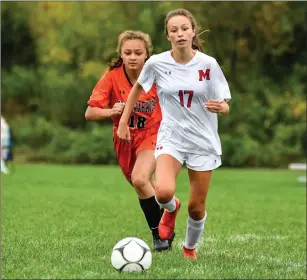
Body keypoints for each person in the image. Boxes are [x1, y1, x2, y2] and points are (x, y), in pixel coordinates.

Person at [117, 9, 231, 260]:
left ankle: (189, 247)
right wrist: (124, 121)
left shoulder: (208, 64)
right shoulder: (157, 62)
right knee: (164, 192)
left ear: (193, 31)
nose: (179, 33)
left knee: (197, 207)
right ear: (168, 36)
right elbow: (137, 88)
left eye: (184, 28)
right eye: (173, 30)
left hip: (203, 142)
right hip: (172, 138)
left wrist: (221, 107)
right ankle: (171, 208)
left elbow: (224, 103)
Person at [85, 30, 174, 252]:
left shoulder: (158, 73)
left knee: (140, 178)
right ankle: (168, 219)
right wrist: (111, 112)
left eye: (138, 52)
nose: (133, 57)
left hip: (153, 135)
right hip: (124, 139)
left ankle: (160, 238)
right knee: (147, 187)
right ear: (121, 55)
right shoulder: (112, 76)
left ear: (147, 55)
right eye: (128, 53)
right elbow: (90, 112)